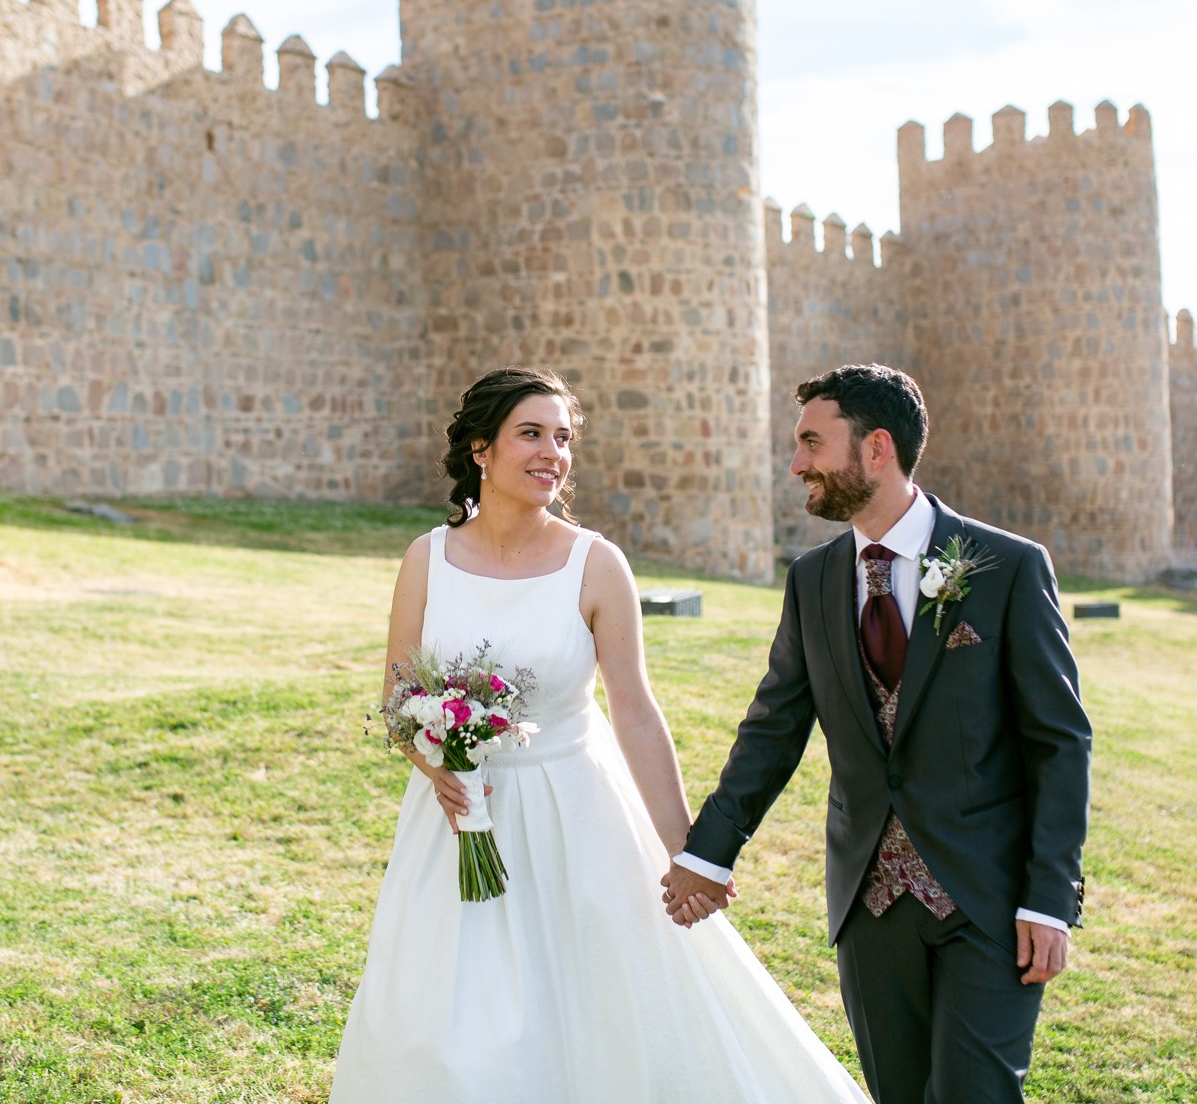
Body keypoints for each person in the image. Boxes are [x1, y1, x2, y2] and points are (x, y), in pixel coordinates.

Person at [331, 367, 869, 1103]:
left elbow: (636, 712)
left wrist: (692, 852)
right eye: (532, 433)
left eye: (563, 437)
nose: (553, 451)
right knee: (441, 1017)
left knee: (600, 1016)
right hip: (455, 821)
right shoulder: (428, 558)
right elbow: (398, 694)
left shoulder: (596, 563)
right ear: (481, 449)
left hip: (577, 818)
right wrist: (434, 767)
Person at [664, 363, 1092, 1103]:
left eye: (810, 442)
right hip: (869, 905)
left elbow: (1059, 742)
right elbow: (773, 731)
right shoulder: (812, 580)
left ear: (876, 449)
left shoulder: (1009, 568)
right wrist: (708, 851)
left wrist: (1049, 899)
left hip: (989, 902)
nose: (796, 464)